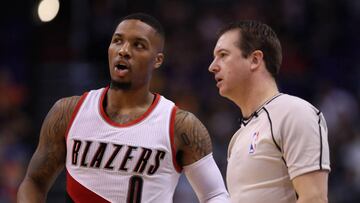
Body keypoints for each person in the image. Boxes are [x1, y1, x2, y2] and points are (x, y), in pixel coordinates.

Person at [18, 13, 229, 203]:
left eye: (138, 45)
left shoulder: (180, 125)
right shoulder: (67, 111)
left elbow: (215, 195)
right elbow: (34, 182)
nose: (124, 50)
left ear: (157, 60)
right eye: (117, 41)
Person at [208, 20, 330, 203]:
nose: (212, 66)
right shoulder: (238, 137)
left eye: (223, 55)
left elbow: (314, 198)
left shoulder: (294, 112)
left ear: (255, 59)